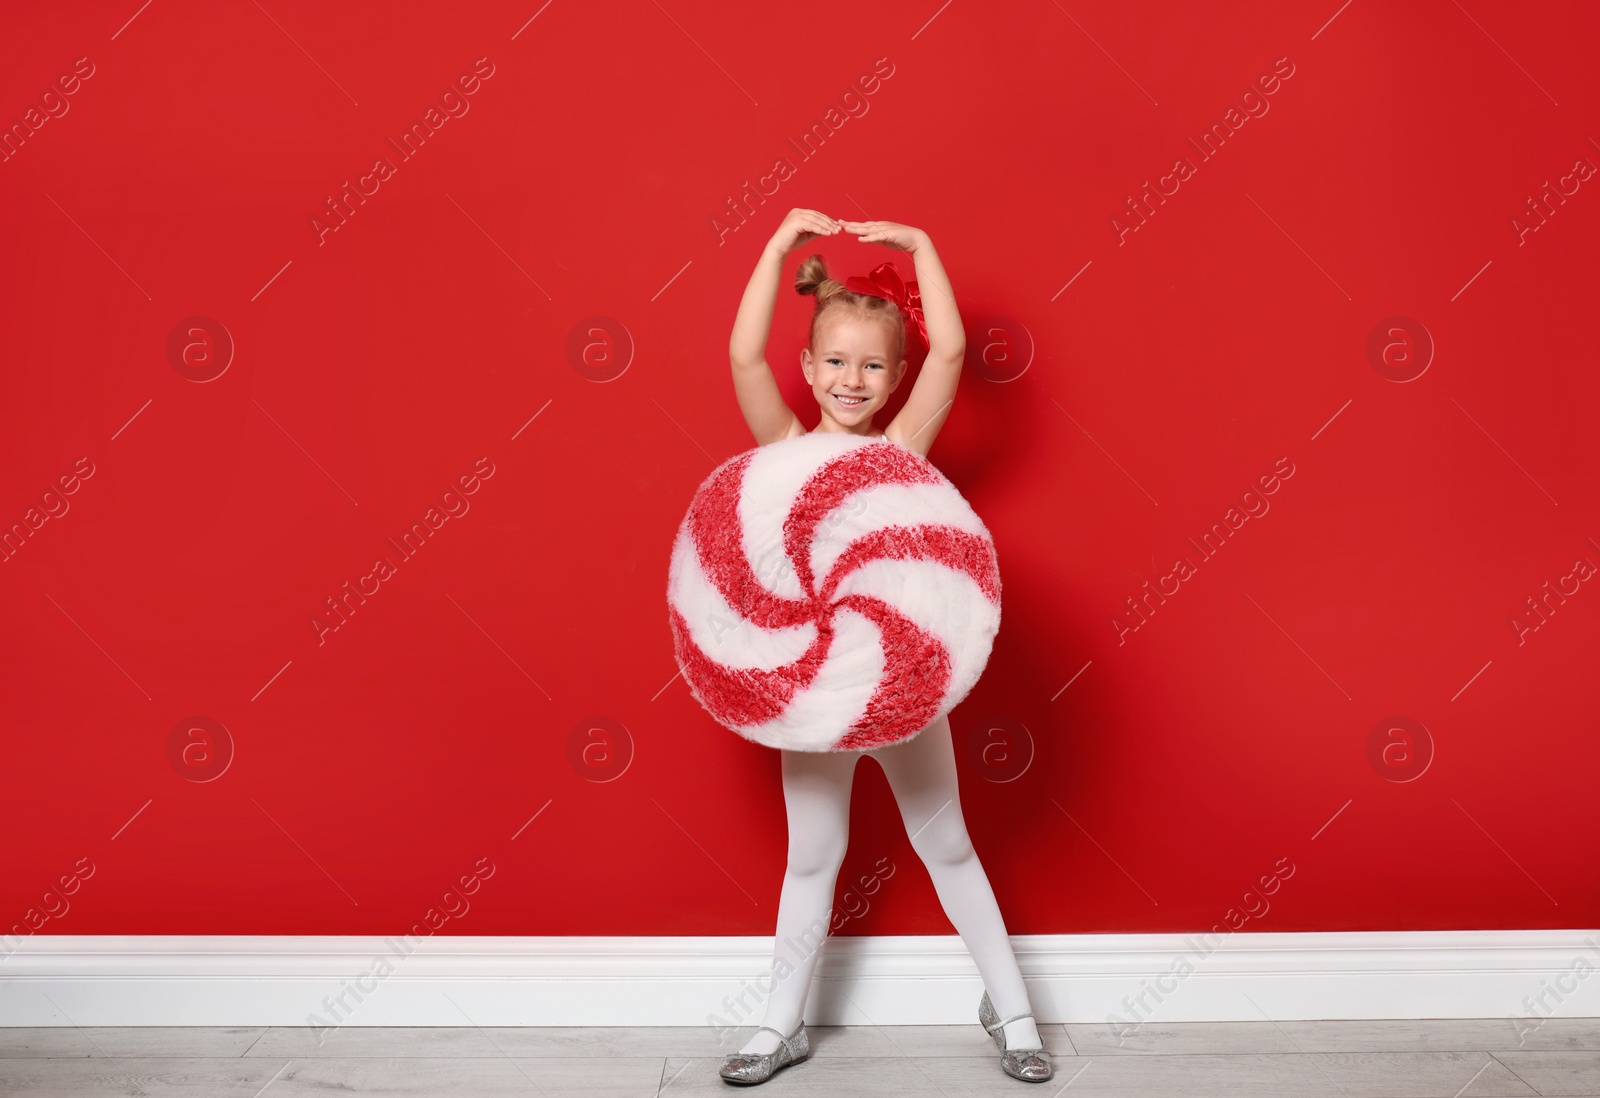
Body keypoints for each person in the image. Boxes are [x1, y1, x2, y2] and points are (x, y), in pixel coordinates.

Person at [717, 208, 1051, 1085]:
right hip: (817, 691)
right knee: (814, 856)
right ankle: (779, 1023)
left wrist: (925, 250)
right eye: (834, 362)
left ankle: (1014, 1011)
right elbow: (743, 356)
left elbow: (950, 355)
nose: (851, 379)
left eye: (872, 365)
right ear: (808, 368)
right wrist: (777, 248)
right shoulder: (785, 449)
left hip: (901, 685)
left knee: (947, 844)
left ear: (896, 377)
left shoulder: (904, 451)